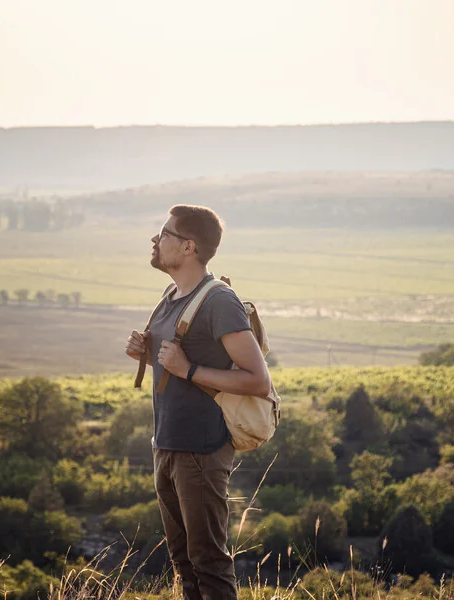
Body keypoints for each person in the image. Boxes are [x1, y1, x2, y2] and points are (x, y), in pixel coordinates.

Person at [125, 204, 271, 600]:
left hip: (202, 451)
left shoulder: (219, 301)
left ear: (189, 246)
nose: (156, 240)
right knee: (183, 562)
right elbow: (177, 354)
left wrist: (187, 370)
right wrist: (147, 350)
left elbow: (258, 380)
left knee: (208, 561)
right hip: (167, 445)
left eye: (165, 233)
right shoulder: (172, 295)